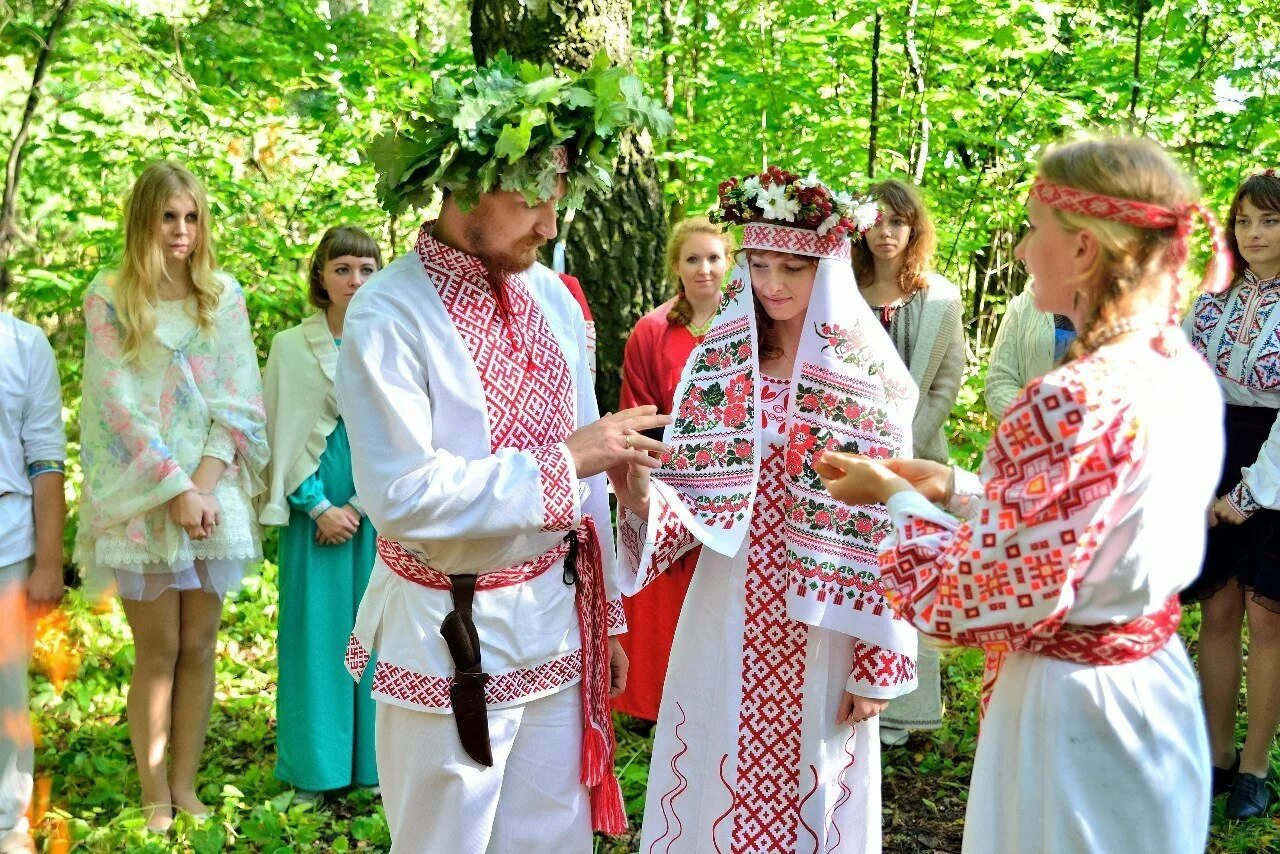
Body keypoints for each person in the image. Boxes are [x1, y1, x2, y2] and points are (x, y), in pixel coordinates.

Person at [817, 135, 1228, 854]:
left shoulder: (1070, 396)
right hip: (1154, 689)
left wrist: (894, 500)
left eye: (1033, 228)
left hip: (1077, 710)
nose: (1019, 250)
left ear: (1084, 250)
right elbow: (1090, 522)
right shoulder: (1177, 367)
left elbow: (993, 589)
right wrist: (955, 486)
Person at [339, 55, 670, 851]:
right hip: (448, 631)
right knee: (446, 839)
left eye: (557, 198)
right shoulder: (389, 313)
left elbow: (594, 455)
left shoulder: (554, 300)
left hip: (557, 623)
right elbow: (402, 493)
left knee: (552, 837)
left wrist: (612, 618)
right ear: (465, 185)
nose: (550, 225)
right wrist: (565, 463)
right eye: (531, 200)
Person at [608, 166, 920, 852]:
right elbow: (688, 504)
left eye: (793, 269)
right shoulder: (720, 367)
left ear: (830, 268)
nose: (773, 285)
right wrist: (636, 494)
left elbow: (889, 524)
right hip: (728, 600)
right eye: (759, 265)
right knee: (719, 754)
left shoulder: (870, 379)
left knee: (816, 769)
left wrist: (880, 659)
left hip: (827, 616)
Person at [75, 161, 269, 831]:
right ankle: (154, 791)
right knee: (158, 648)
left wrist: (206, 483)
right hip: (144, 495)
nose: (181, 230)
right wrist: (175, 487)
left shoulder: (223, 295)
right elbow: (115, 406)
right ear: (143, 220)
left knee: (201, 644)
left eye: (191, 217)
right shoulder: (110, 296)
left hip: (212, 494)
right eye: (167, 217)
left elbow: (241, 399)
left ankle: (186, 786)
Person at [261, 226, 382, 802]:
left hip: (380, 511)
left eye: (366, 269)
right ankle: (314, 770)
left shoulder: (395, 340)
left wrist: (361, 503)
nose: (354, 281)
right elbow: (277, 431)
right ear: (321, 275)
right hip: (315, 517)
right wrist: (317, 505)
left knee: (381, 637)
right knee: (317, 638)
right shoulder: (290, 346)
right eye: (342, 269)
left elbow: (410, 431)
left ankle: (376, 769)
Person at [1183, 167, 1280, 819]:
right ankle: (1214, 756)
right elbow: (1184, 386)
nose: (1253, 233)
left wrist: (1250, 493)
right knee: (1216, 612)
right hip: (1212, 449)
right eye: (1243, 220)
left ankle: (1255, 768)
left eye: (1269, 220)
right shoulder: (1212, 296)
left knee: (1267, 617)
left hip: (1276, 461)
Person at [853, 179, 965, 744]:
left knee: (908, 574)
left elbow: (947, 381)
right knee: (853, 572)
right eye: (876, 220)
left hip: (918, 459)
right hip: (846, 459)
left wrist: (902, 448)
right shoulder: (839, 290)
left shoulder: (939, 297)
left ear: (913, 229)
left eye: (897, 222)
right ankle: (850, 691)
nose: (886, 232)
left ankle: (902, 711)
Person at [612, 215, 734, 722]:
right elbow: (638, 408)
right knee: (667, 602)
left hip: (733, 484)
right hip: (669, 481)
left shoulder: (748, 325)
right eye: (692, 259)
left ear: (729, 263)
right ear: (676, 267)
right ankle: (663, 705)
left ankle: (720, 699)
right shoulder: (653, 329)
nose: (704, 269)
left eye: (713, 258)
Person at [0, 309, 66, 854]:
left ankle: (7, 821)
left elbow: (45, 457)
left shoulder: (24, 344)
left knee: (5, 686)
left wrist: (49, 562)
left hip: (8, 535)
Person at [984, 288, 1075, 417]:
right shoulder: (1023, 305)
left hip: (1099, 431)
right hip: (1032, 430)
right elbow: (998, 384)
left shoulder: (1107, 298)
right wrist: (1039, 418)